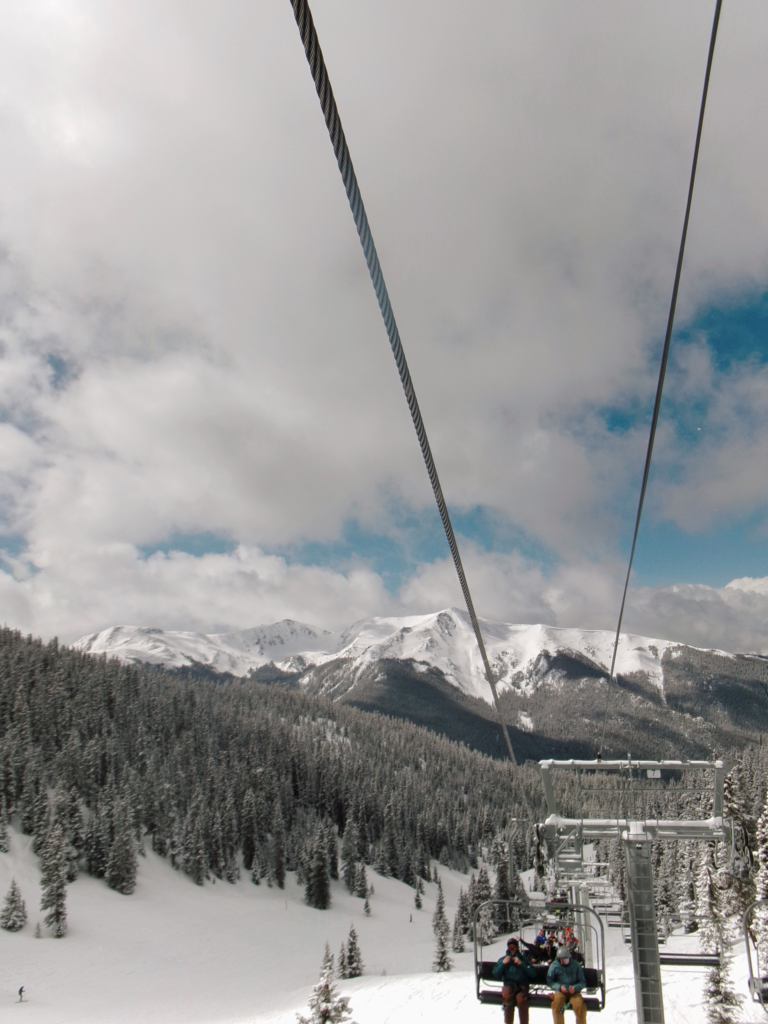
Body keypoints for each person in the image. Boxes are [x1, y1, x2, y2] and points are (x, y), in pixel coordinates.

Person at [492, 936, 537, 1024]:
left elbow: (533, 973)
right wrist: (503, 964)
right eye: (510, 948)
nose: (512, 950)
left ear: (517, 948)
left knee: (522, 1001)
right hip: (509, 985)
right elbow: (496, 974)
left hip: (521, 985)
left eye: (514, 948)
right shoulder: (503, 959)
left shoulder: (523, 959)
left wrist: (521, 964)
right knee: (508, 999)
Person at [546, 946, 587, 1023]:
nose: (562, 962)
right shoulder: (554, 966)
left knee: (580, 1006)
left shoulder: (576, 965)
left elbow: (582, 982)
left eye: (564, 960)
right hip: (561, 991)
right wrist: (559, 987)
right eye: (560, 960)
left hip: (574, 991)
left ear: (569, 957)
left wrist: (575, 988)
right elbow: (549, 980)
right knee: (557, 1005)